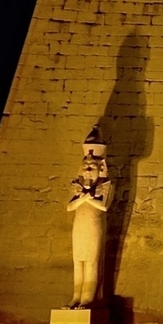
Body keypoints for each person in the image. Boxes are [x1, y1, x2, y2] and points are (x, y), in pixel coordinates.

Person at [66, 125, 113, 309]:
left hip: (94, 226)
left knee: (92, 261)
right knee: (78, 261)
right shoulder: (77, 186)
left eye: (91, 167)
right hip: (80, 225)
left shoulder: (105, 185)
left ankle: (88, 297)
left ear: (101, 168)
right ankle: (76, 295)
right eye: (85, 166)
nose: (87, 171)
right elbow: (70, 206)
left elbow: (103, 206)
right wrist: (84, 195)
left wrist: (87, 195)